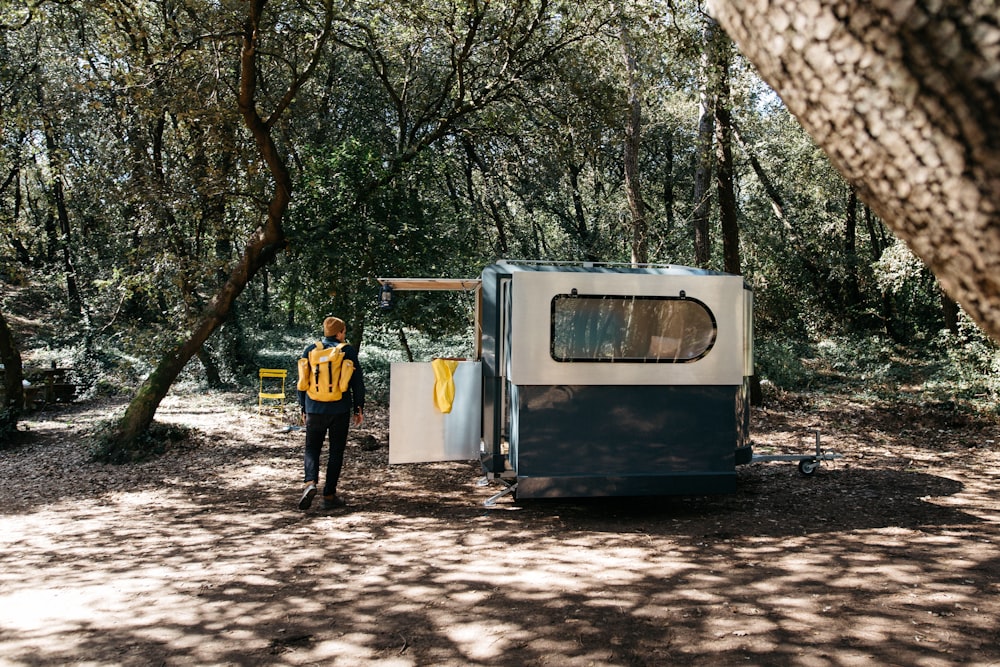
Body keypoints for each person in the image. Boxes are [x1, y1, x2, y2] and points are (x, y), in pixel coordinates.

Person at [296, 316, 365, 510]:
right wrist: (359, 407)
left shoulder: (311, 350)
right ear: (340, 333)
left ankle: (310, 482)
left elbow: (303, 381)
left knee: (312, 448)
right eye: (344, 331)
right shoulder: (347, 351)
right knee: (336, 451)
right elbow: (357, 382)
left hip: (314, 408)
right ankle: (329, 495)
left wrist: (303, 407)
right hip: (339, 409)